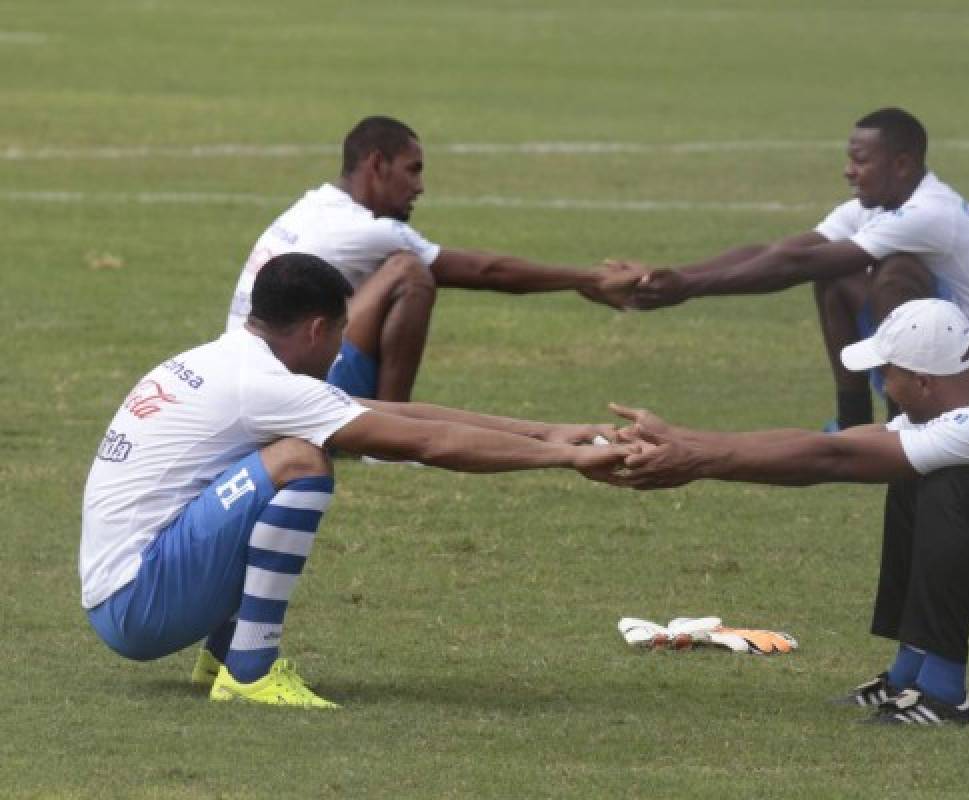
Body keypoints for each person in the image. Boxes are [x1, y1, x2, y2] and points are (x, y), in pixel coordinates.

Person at [83, 253, 627, 709]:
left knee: (282, 456)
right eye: (341, 332)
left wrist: (556, 433)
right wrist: (564, 460)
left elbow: (403, 415)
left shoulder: (228, 359)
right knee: (300, 461)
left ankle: (224, 656)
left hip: (126, 593)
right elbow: (429, 444)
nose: (342, 351)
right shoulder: (266, 386)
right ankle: (248, 673)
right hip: (139, 605)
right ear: (318, 328)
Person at [604, 299, 969, 726]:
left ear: (922, 381)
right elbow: (843, 443)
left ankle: (942, 697)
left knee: (950, 487)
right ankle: (909, 679)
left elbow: (833, 459)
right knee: (916, 475)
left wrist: (698, 462)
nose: (878, 384)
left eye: (884, 373)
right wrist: (685, 439)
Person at [614, 108, 969, 432]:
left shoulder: (929, 213)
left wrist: (689, 287)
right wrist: (672, 276)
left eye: (860, 161)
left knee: (895, 272)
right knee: (836, 272)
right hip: (958, 363)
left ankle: (910, 425)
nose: (848, 170)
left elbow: (795, 265)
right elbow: (781, 251)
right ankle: (854, 420)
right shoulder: (882, 207)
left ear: (901, 165)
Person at [225, 115, 645, 402]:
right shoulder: (368, 229)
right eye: (413, 169)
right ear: (376, 164)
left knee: (393, 273)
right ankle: (388, 440)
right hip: (291, 387)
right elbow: (487, 271)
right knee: (411, 272)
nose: (420, 186)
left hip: (251, 380)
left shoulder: (314, 204)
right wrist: (588, 278)